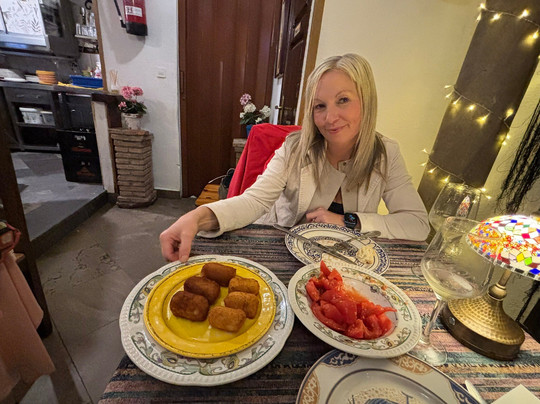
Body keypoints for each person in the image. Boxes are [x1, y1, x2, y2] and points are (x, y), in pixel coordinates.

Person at [160, 53, 430, 262]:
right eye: (320, 106)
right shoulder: (293, 148)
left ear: (366, 101)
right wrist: (197, 217)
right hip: (284, 253)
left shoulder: (387, 154)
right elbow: (254, 201)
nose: (330, 118)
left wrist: (348, 221)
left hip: (346, 262)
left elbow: (417, 224)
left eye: (343, 100)